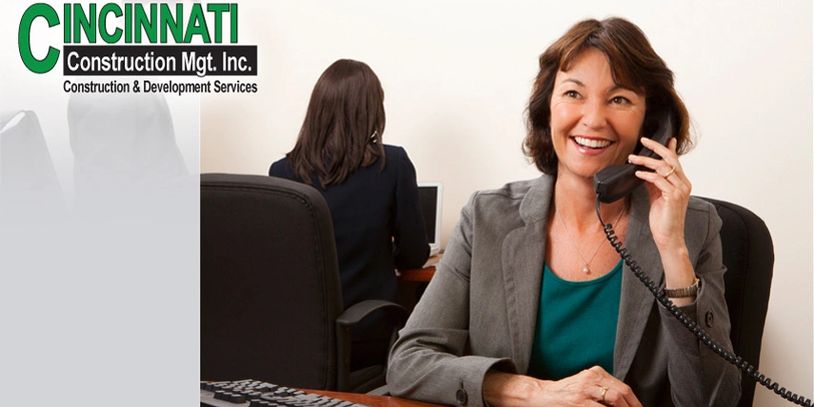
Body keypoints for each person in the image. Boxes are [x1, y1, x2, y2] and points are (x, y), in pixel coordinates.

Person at [387, 18, 739, 407]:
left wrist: (673, 250)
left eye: (619, 99)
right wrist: (532, 391)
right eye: (574, 93)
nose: (592, 119)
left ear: (652, 123)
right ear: (547, 109)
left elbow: (714, 400)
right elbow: (409, 362)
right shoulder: (487, 218)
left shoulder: (692, 226)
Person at [269, 59, 430, 369]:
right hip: (365, 335)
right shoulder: (391, 164)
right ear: (371, 110)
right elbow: (414, 255)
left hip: (300, 339)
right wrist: (383, 253)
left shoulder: (281, 171)